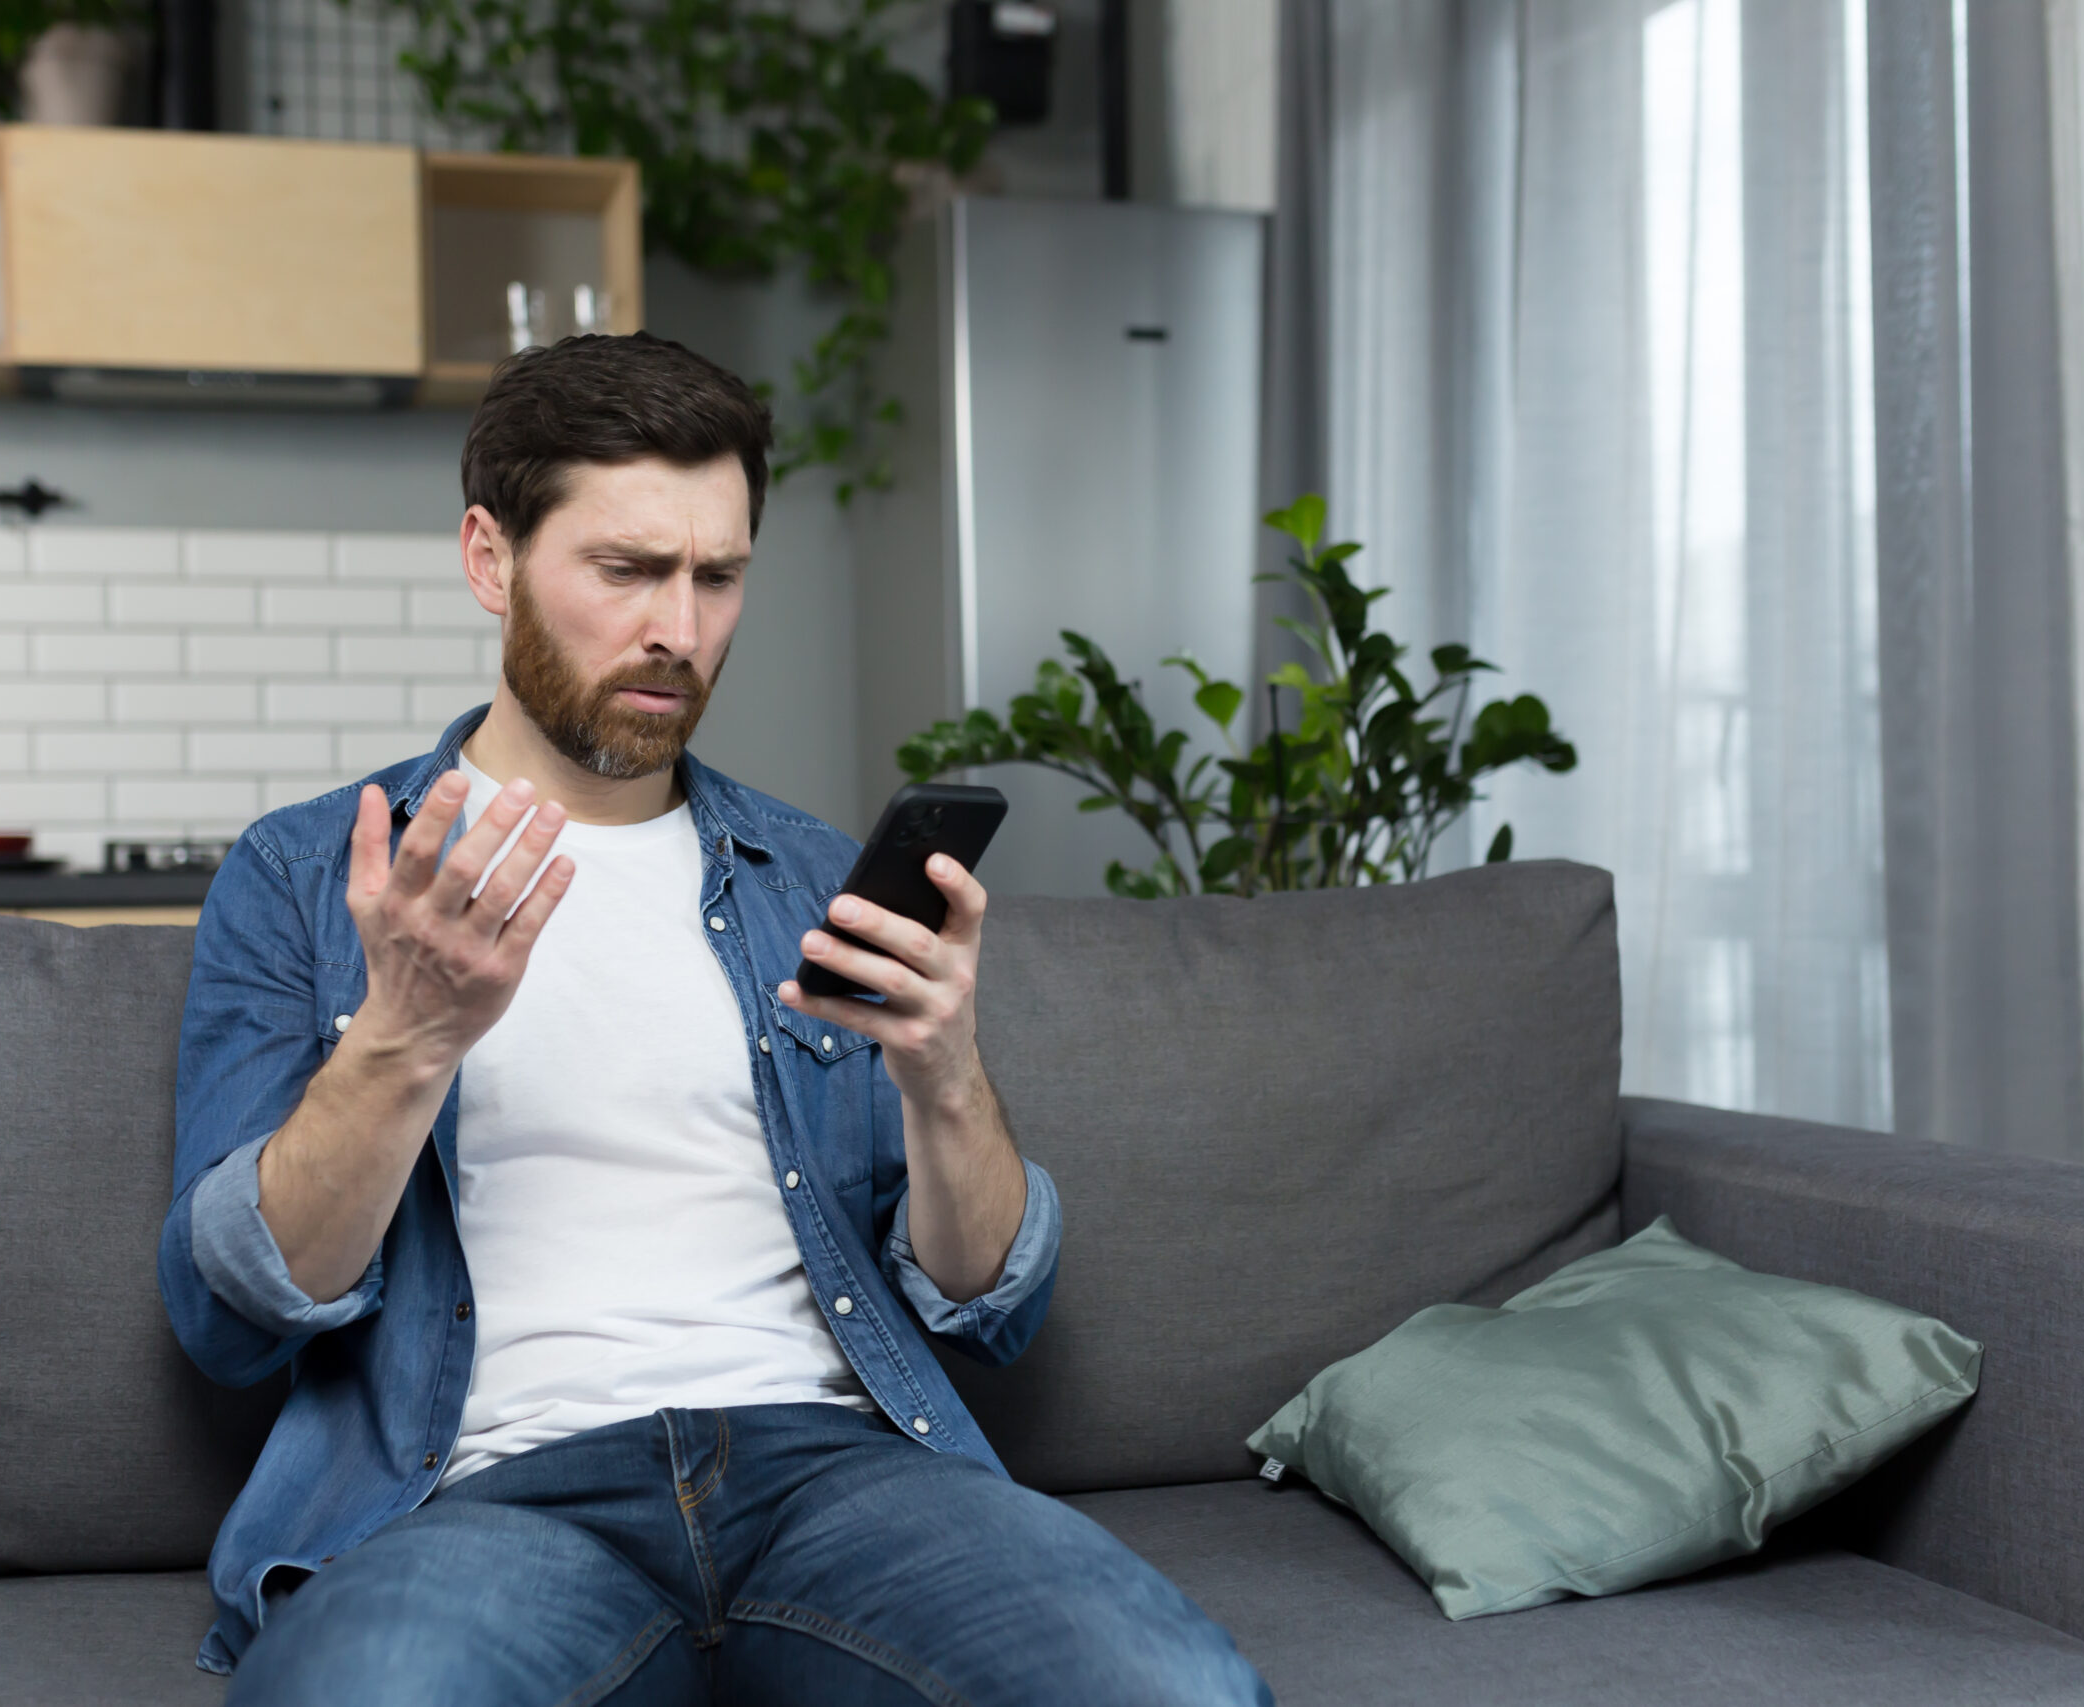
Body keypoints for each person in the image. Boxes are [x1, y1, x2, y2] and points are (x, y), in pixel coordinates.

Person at [158, 332, 1271, 1707]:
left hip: (834, 1476)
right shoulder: (316, 874)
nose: (678, 630)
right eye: (625, 571)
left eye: (718, 576)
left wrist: (946, 1077)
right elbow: (226, 1318)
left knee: (1176, 1694)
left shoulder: (812, 876)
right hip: (494, 1501)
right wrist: (409, 1039)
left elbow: (991, 1310)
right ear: (490, 558)